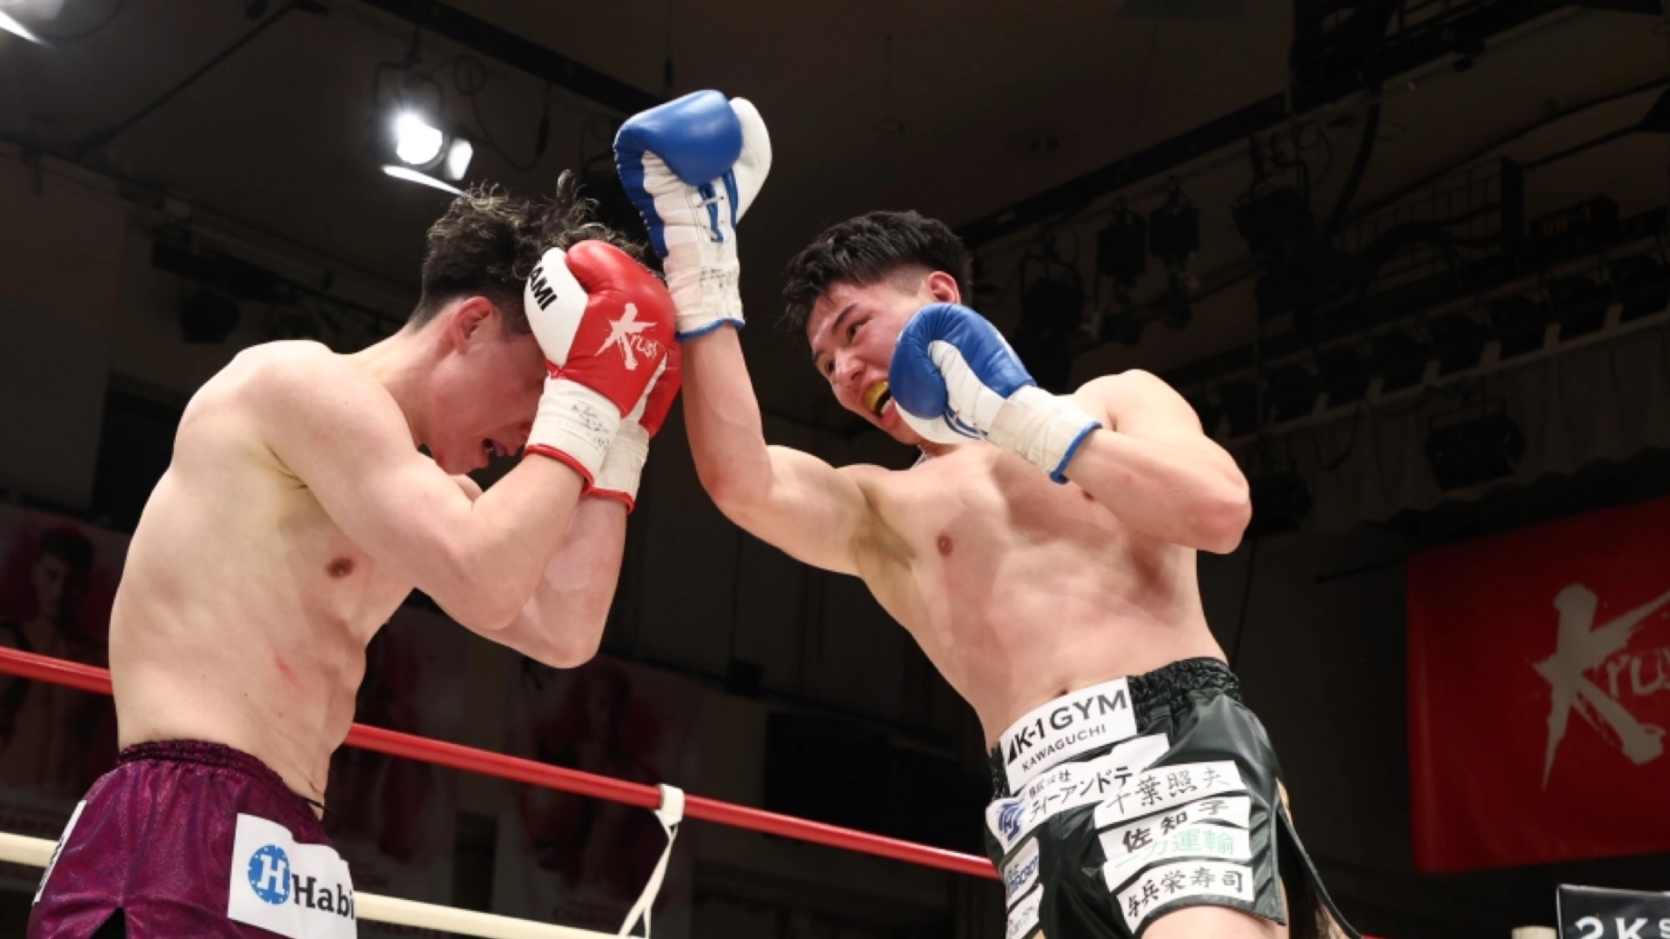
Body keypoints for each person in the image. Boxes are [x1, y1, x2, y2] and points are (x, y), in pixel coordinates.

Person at [613, 92, 1357, 939]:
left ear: (940, 295)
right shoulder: (883, 506)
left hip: (1178, 743)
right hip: (1034, 800)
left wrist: (1023, 420)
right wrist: (699, 263)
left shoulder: (1114, 400)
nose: (846, 372)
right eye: (825, 366)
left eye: (855, 331)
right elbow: (740, 480)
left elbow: (1220, 513)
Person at [29, 174, 681, 939]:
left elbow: (566, 630)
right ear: (471, 324)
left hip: (289, 845)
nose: (538, 425)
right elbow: (485, 576)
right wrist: (587, 401)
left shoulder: (430, 498)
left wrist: (620, 438)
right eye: (544, 383)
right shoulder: (297, 382)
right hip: (183, 817)